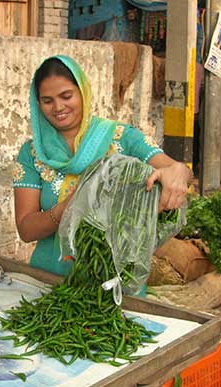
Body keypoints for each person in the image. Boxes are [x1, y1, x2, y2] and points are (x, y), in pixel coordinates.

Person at [13, 55, 191, 277]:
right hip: (50, 279)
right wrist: (67, 208)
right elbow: (26, 229)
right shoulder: (33, 154)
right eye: (47, 100)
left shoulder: (122, 137)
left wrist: (177, 171)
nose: (58, 107)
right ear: (37, 103)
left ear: (83, 93)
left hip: (116, 283)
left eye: (66, 96)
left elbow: (177, 169)